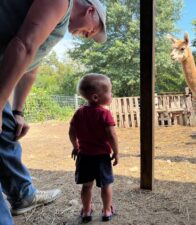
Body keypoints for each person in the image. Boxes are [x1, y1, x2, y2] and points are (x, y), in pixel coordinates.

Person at [0, 0, 107, 224]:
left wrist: (18, 110)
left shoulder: (56, 25)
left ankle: (23, 195)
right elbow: (23, 45)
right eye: (93, 30)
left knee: (8, 129)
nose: (87, 36)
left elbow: (32, 66)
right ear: (90, 10)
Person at [69, 74, 119, 223]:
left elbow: (71, 131)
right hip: (101, 157)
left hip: (84, 156)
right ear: (96, 97)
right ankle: (106, 210)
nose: (111, 94)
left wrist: (75, 146)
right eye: (109, 92)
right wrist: (116, 151)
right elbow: (111, 135)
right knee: (106, 185)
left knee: (86, 186)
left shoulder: (79, 112)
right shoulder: (104, 113)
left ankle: (86, 211)